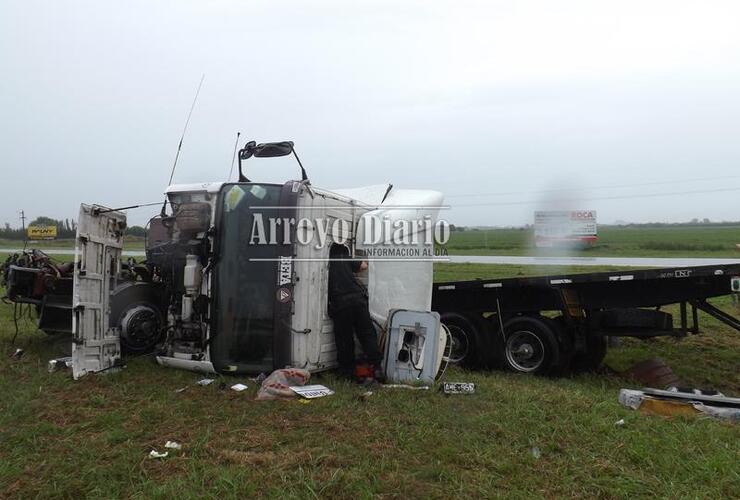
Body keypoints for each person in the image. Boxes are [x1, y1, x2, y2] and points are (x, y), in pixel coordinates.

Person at [328, 243, 382, 380]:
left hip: (341, 303)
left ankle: (347, 372)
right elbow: (363, 266)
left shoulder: (326, 261)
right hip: (358, 300)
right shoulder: (345, 258)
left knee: (345, 338)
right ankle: (376, 368)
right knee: (367, 333)